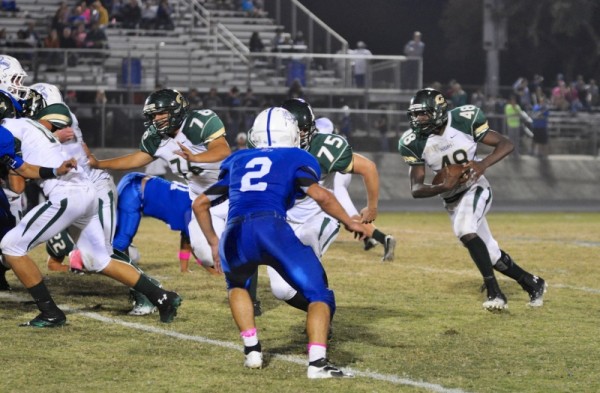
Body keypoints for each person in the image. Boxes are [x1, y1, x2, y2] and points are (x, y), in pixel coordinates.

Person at [193, 106, 365, 378]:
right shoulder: (296, 156)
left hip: (234, 232)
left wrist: (214, 243)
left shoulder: (238, 159)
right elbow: (321, 196)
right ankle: (317, 364)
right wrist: (350, 221)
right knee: (319, 294)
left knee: (237, 284)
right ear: (291, 134)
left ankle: (252, 351)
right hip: (271, 227)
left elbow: (200, 203)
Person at [0, 94, 182, 327]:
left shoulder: (8, 128)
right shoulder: (28, 127)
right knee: (98, 259)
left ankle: (50, 312)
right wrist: (55, 171)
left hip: (67, 195)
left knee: (11, 246)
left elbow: (20, 176)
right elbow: (26, 169)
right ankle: (163, 297)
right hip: (84, 191)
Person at [398, 88, 547, 311]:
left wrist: (482, 164)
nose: (418, 119)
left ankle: (495, 292)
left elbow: (506, 144)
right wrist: (442, 186)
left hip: (475, 187)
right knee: (492, 254)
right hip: (451, 199)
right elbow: (416, 188)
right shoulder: (413, 141)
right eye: (416, 114)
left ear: (438, 111)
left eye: (424, 114)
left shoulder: (463, 120)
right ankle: (532, 282)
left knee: (465, 229)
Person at [262, 99, 393, 317]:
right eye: (296, 130)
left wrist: (372, 207)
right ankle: (323, 310)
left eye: (304, 130)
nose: (300, 135)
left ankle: (322, 319)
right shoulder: (265, 146)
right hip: (283, 220)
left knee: (309, 241)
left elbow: (368, 167)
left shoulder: (323, 148)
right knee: (281, 289)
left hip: (320, 214)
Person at [84, 88, 231, 276]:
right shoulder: (156, 137)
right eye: (153, 115)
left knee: (247, 244)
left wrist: (196, 158)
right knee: (206, 255)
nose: (157, 119)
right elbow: (136, 159)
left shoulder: (198, 122)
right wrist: (100, 163)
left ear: (177, 109)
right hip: (202, 203)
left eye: (161, 113)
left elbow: (222, 151)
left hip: (230, 192)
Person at [315, 116, 395, 256]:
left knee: (345, 214)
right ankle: (369, 240)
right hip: (341, 171)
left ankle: (384, 239)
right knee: (338, 212)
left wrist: (372, 207)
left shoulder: (317, 141)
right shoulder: (334, 137)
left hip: (335, 174)